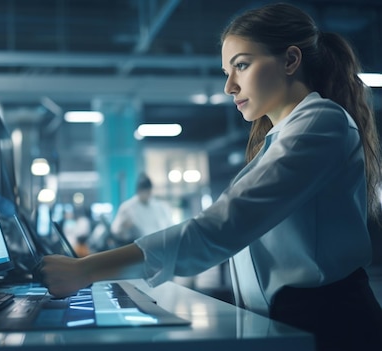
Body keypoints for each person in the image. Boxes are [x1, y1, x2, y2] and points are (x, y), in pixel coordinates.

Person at [39, 3, 382, 350]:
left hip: (332, 324)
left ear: (291, 60)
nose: (229, 86)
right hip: (293, 319)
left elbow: (223, 225)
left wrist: (86, 270)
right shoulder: (285, 135)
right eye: (226, 72)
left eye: (242, 66)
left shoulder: (322, 123)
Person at [108, 173, 174, 247]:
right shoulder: (127, 208)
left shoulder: (161, 207)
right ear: (138, 191)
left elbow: (170, 227)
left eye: (148, 191)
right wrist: (124, 227)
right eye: (144, 191)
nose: (147, 194)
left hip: (161, 245)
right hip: (139, 248)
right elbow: (115, 229)